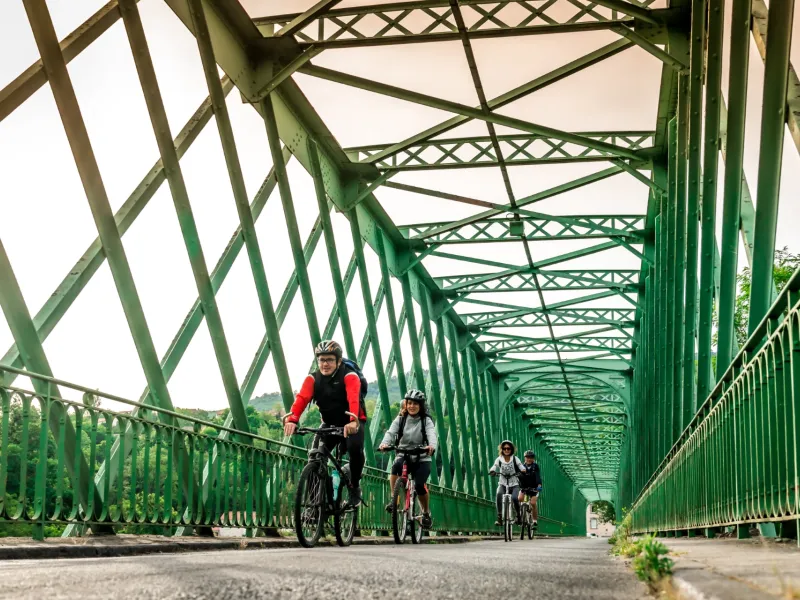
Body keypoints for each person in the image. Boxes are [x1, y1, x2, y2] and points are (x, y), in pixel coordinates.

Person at [284, 340, 367, 507]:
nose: (325, 364)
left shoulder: (350, 376)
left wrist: (352, 422)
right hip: (328, 423)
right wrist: (292, 419)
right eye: (321, 360)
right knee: (314, 458)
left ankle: (355, 487)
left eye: (329, 359)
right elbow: (302, 399)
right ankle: (315, 505)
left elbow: (353, 399)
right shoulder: (313, 379)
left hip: (352, 422)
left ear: (338, 361)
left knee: (354, 450)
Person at [379, 389, 437, 529]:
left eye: (415, 404)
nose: (412, 406)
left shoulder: (426, 421)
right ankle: (395, 499)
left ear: (421, 406)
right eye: (409, 403)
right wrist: (384, 443)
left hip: (422, 457)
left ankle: (425, 512)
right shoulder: (400, 419)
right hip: (404, 453)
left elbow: (432, 434)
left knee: (419, 485)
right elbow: (391, 432)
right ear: (405, 404)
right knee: (395, 467)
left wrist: (431, 446)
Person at [489, 440, 524, 526]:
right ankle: (500, 517)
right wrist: (492, 470)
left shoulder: (515, 459)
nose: (506, 450)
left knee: (515, 498)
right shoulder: (499, 459)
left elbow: (521, 466)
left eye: (508, 448)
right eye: (504, 448)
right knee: (498, 494)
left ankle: (518, 516)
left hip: (514, 483)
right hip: (502, 483)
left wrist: (523, 470)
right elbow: (495, 465)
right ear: (502, 449)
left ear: (511, 449)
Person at [518, 450, 543, 528]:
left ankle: (534, 520)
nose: (529, 459)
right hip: (524, 487)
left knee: (532, 503)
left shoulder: (535, 466)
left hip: (534, 488)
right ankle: (520, 514)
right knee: (519, 498)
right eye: (527, 457)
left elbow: (538, 476)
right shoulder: (522, 466)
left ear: (533, 458)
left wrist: (539, 485)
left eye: (531, 457)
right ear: (525, 458)